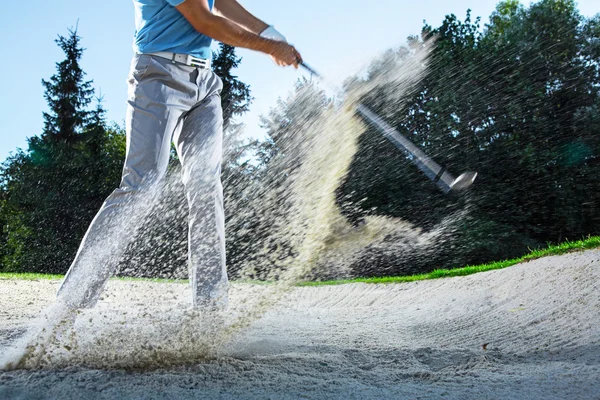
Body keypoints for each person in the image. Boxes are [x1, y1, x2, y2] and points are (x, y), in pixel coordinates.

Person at [56, 0, 302, 311]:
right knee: (141, 184)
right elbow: (204, 21)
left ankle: (210, 309)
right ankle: (68, 305)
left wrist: (269, 31)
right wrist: (269, 46)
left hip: (204, 82)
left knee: (206, 185)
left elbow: (220, 2)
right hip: (157, 75)